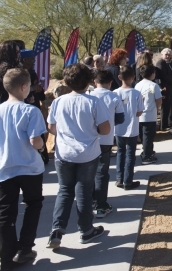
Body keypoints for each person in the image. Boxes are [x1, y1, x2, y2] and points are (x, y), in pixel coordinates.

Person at [0, 69, 47, 270]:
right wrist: (41, 147)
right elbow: (35, 141)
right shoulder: (31, 111)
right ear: (24, 87)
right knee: (33, 205)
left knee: (6, 213)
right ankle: (25, 247)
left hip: (3, 168)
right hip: (28, 167)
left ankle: (6, 258)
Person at [46, 64, 111, 249]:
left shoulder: (58, 102)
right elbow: (105, 129)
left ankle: (57, 230)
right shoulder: (93, 102)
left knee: (64, 190)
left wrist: (66, 133)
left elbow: (51, 127)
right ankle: (86, 230)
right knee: (83, 191)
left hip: (64, 153)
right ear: (89, 81)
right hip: (87, 153)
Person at [88, 69, 125, 218]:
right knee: (102, 172)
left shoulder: (88, 95)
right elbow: (120, 118)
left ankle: (90, 199)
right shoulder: (114, 97)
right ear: (110, 83)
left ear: (95, 82)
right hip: (106, 139)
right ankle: (101, 205)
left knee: (88, 171)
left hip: (89, 139)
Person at [114, 66, 144, 190]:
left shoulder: (115, 93)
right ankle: (128, 181)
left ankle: (119, 178)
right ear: (133, 77)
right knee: (130, 154)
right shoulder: (136, 93)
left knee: (120, 152)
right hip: (132, 127)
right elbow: (139, 112)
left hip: (118, 128)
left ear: (119, 77)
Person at [20, 49, 49, 164]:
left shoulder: (32, 72)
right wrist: (32, 89)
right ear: (24, 60)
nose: (34, 61)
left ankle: (42, 156)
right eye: (31, 59)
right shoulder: (21, 74)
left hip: (34, 104)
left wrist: (39, 91)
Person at [135, 65, 163, 165]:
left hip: (139, 114)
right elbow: (158, 99)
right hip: (149, 115)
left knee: (144, 135)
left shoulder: (137, 85)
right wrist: (157, 109)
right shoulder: (153, 85)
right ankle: (146, 156)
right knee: (148, 136)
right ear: (152, 74)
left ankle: (148, 151)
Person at [156, 48, 172, 130]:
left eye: (169, 55)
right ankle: (163, 125)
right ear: (162, 54)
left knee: (168, 107)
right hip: (164, 87)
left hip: (171, 88)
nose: (167, 56)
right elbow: (163, 75)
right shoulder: (161, 63)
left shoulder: (169, 63)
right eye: (166, 54)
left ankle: (167, 123)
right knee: (165, 107)